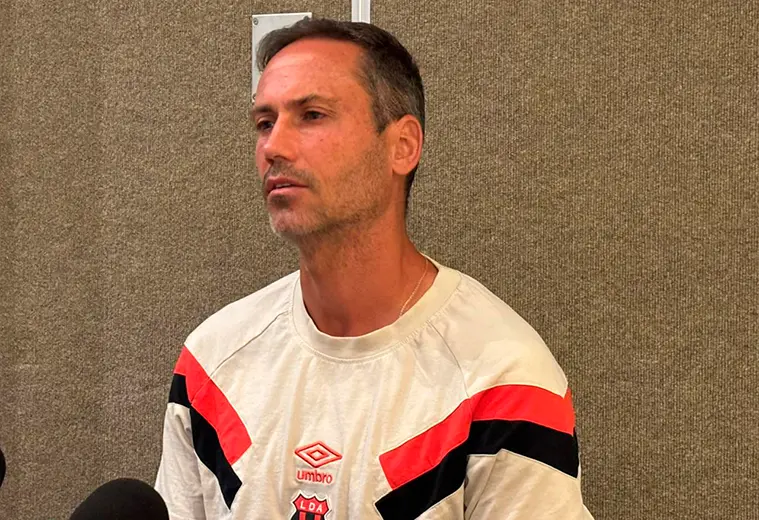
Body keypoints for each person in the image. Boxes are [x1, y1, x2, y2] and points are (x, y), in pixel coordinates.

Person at [155, 18, 593, 520]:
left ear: (402, 145)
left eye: (312, 115)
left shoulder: (502, 380)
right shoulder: (213, 362)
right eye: (264, 123)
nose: (274, 146)